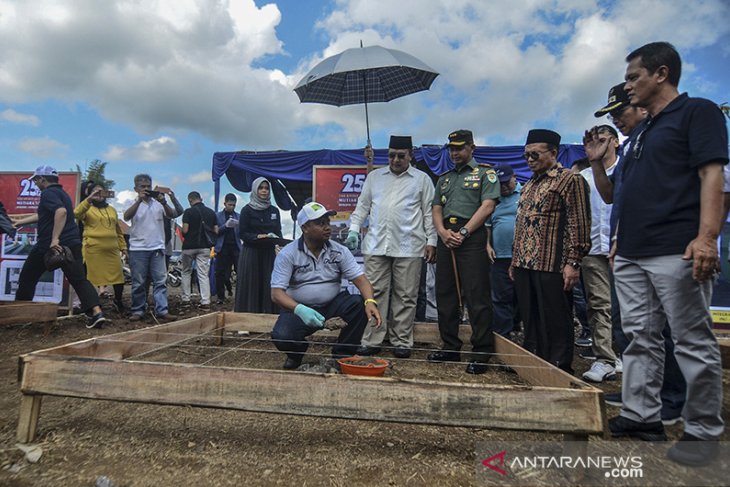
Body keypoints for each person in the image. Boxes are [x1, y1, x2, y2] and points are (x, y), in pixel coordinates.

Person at [607, 42, 726, 466]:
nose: (628, 86)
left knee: (692, 340)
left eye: (633, 77)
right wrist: (620, 237)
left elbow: (713, 174)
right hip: (634, 251)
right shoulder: (643, 130)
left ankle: (703, 430)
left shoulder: (698, 112)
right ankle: (641, 415)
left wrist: (707, 237)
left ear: (660, 73)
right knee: (639, 337)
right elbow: (629, 192)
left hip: (676, 249)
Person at [589, 81, 685, 426]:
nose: (616, 119)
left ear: (642, 106)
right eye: (611, 114)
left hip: (665, 249)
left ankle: (672, 398)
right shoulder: (632, 149)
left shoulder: (670, 137)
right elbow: (612, 197)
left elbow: (721, 180)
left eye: (620, 112)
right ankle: (639, 394)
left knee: (664, 330)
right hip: (628, 252)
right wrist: (597, 164)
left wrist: (704, 236)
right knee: (632, 329)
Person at [345, 135, 437, 359]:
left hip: (410, 246)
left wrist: (431, 240)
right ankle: (372, 339)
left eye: (401, 156)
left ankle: (402, 341)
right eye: (391, 155)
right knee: (374, 294)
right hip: (376, 245)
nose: (395, 160)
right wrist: (354, 229)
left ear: (410, 155)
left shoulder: (422, 179)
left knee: (406, 296)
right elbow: (362, 207)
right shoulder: (375, 177)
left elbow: (429, 213)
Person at [510, 129, 591, 374]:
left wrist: (573, 262)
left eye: (535, 154)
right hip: (525, 262)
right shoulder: (529, 184)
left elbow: (579, 223)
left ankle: (559, 365)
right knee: (530, 316)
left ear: (553, 153)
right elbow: (521, 224)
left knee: (555, 317)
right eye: (526, 155)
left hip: (552, 263)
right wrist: (514, 260)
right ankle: (536, 360)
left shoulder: (569, 180)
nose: (529, 159)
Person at [270, 202, 382, 369]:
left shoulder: (339, 251)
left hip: (332, 305)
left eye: (327, 222)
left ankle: (343, 355)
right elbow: (277, 293)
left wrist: (370, 302)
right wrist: (300, 309)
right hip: (299, 309)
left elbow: (361, 280)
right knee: (282, 335)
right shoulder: (288, 254)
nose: (328, 227)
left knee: (358, 304)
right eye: (320, 223)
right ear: (305, 227)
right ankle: (297, 353)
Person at [428, 129, 500, 375]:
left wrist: (465, 232)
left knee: (476, 294)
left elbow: (488, 205)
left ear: (472, 148)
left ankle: (481, 351)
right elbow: (436, 207)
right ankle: (450, 346)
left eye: (459, 148)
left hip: (472, 236)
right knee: (445, 293)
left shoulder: (485, 174)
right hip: (447, 237)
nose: (455, 153)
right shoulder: (444, 178)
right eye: (452, 149)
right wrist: (441, 232)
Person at [12, 166, 109, 328]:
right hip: (73, 243)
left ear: (43, 179)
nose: (35, 183)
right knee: (79, 280)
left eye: (36, 180)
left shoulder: (48, 193)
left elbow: (61, 212)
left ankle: (21, 316)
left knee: (27, 279)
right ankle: (96, 312)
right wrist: (19, 222)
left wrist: (55, 239)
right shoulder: (62, 194)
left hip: (49, 246)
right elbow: (45, 214)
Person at [578, 126, 620, 382]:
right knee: (598, 305)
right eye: (596, 142)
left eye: (604, 140)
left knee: (628, 306)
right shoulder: (583, 176)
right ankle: (604, 359)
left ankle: (625, 354)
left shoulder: (627, 169)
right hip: (593, 248)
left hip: (625, 247)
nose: (601, 145)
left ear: (615, 141)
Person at [123, 174, 176, 322]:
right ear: (136, 188)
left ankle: (162, 309)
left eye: (148, 186)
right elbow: (127, 217)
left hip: (157, 247)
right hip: (138, 248)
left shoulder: (158, 203)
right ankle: (138, 310)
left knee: (160, 280)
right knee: (138, 282)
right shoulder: (130, 201)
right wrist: (139, 200)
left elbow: (172, 214)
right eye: (142, 187)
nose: (146, 189)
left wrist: (164, 202)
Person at [74, 183, 127, 314]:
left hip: (112, 250)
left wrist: (123, 247)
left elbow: (118, 231)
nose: (99, 194)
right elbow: (76, 214)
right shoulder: (87, 208)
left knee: (118, 277)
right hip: (93, 249)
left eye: (101, 192)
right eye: (95, 192)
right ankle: (92, 305)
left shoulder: (112, 210)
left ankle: (118, 301)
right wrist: (89, 199)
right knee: (90, 278)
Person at [234, 177, 281, 313]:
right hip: (251, 252)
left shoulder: (274, 210)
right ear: (255, 190)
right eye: (261, 188)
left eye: (266, 188)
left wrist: (279, 243)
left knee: (268, 283)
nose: (264, 191)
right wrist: (258, 237)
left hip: (269, 253)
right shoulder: (246, 210)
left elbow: (278, 232)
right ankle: (245, 320)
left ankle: (267, 317)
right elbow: (242, 234)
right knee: (250, 284)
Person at [485, 164, 521, 337]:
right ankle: (503, 335)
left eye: (507, 182)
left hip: (522, 256)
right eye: (500, 184)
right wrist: (488, 245)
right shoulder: (493, 199)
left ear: (514, 177)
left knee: (521, 296)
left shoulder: (525, 193)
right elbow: (488, 226)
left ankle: (519, 328)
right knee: (500, 297)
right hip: (500, 256)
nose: (504, 187)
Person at [180, 191, 218, 309]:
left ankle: (186, 298)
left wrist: (182, 232)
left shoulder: (188, 212)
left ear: (190, 200)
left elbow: (185, 230)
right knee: (203, 274)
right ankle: (205, 300)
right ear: (201, 199)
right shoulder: (211, 213)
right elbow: (216, 231)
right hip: (205, 246)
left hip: (189, 246)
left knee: (186, 272)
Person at [214, 193, 241, 304]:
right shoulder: (217, 216)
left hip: (236, 247)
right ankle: (221, 297)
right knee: (220, 273)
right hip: (222, 247)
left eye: (234, 205)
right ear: (225, 203)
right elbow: (215, 232)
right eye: (230, 204)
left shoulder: (238, 216)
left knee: (240, 272)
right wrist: (226, 226)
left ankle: (240, 296)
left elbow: (242, 232)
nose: (232, 207)